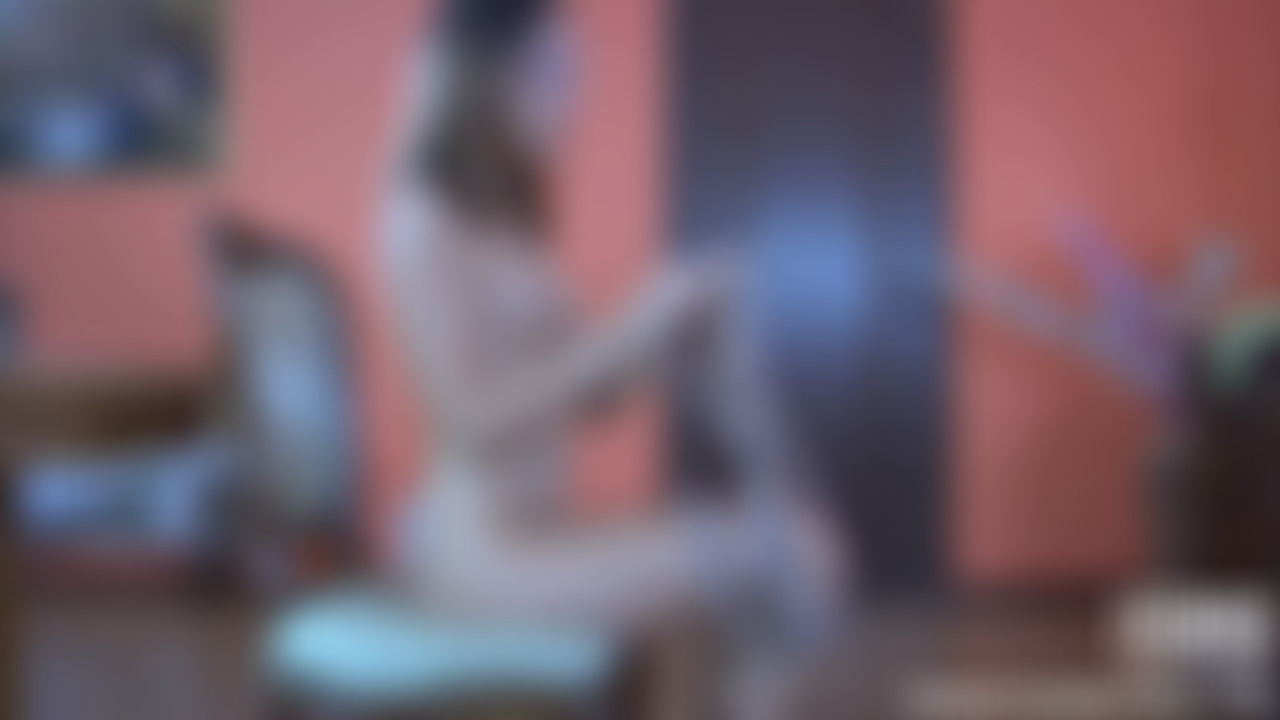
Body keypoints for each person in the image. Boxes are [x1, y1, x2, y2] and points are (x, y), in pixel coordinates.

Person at [380, 0, 843, 677]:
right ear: (485, 75)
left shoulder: (511, 221)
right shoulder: (422, 217)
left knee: (797, 546)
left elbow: (596, 397)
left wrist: (673, 332)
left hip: (541, 529)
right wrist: (633, 328)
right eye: (552, 73)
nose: (571, 98)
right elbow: (467, 423)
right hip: (478, 556)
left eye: (574, 77)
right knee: (795, 553)